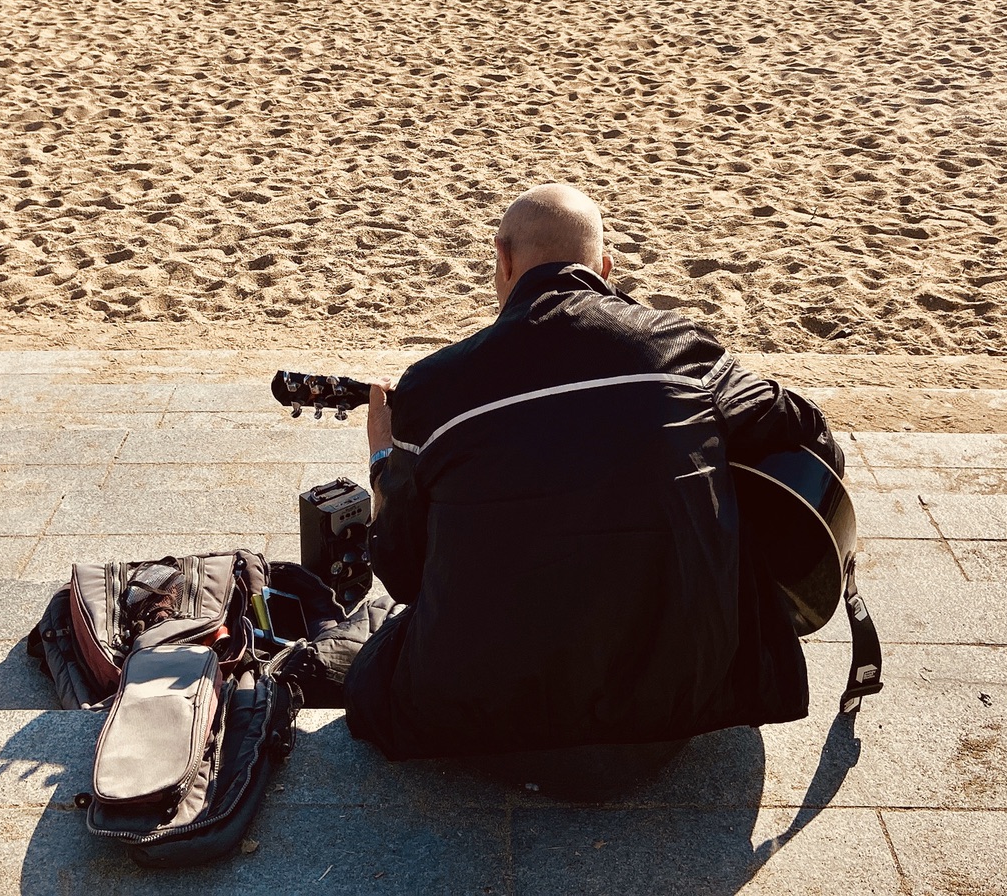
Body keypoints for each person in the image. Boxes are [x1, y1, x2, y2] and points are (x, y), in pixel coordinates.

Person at [344, 183, 845, 770]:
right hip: (673, 714)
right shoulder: (680, 348)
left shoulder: (434, 385)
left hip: (488, 723)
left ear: (501, 261)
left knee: (371, 673)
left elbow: (405, 573)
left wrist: (384, 458)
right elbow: (808, 429)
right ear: (607, 269)